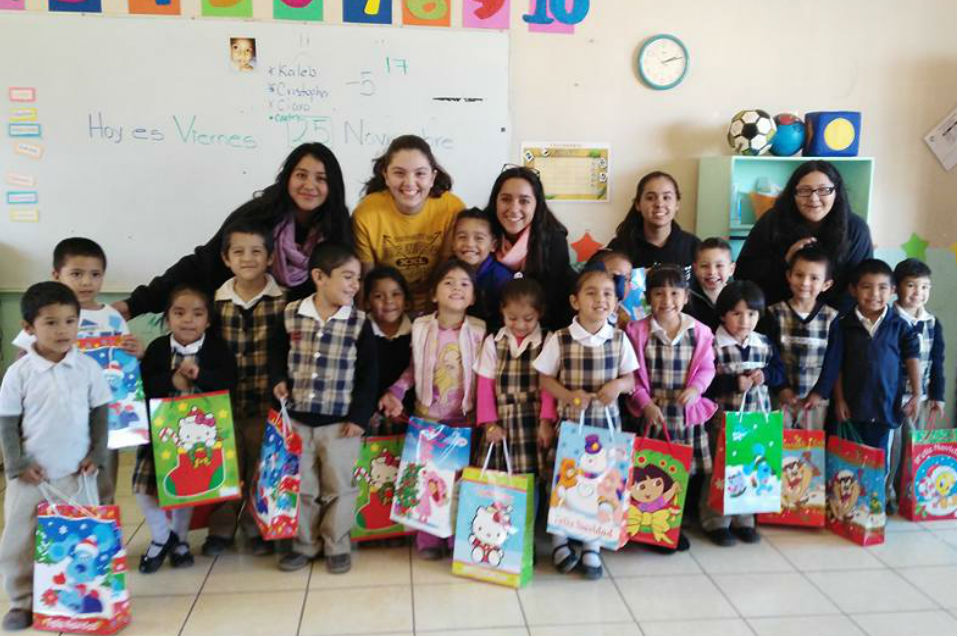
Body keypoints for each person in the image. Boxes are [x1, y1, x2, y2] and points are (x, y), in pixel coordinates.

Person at [114, 143, 353, 319]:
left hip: (300, 340)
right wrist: (133, 305)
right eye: (301, 175)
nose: (309, 185)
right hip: (236, 328)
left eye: (321, 178)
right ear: (287, 178)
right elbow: (201, 265)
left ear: (332, 186)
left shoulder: (338, 231)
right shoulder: (256, 217)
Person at [0, 282, 112, 631]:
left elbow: (100, 415)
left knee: (80, 540)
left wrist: (97, 453)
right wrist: (17, 463)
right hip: (30, 477)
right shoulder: (19, 373)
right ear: (29, 328)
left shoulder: (88, 368)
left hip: (76, 474)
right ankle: (21, 602)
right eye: (51, 322)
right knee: (19, 542)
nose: (63, 330)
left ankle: (79, 597)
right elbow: (7, 423)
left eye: (70, 321)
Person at [268, 244, 378, 574]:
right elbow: (276, 356)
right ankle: (304, 544)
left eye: (357, 279)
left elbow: (368, 375)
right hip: (298, 421)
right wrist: (277, 380)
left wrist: (360, 417)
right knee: (302, 486)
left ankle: (336, 544)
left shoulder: (359, 323)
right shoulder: (290, 314)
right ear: (319, 277)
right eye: (347, 277)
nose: (354, 285)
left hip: (341, 424)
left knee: (340, 487)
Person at [11, 238, 141, 505]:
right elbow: (22, 361)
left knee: (103, 484)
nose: (86, 282)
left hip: (104, 419)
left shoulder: (113, 317)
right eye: (77, 274)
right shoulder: (46, 313)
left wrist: (137, 351)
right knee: (56, 487)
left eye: (95, 275)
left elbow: (127, 362)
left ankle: (103, 538)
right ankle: (59, 538)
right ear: (57, 275)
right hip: (56, 421)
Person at [534, 265, 638, 579]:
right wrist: (567, 394)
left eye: (607, 293)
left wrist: (616, 387)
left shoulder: (619, 339)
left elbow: (631, 380)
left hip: (606, 428)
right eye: (591, 293)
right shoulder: (560, 338)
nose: (600, 300)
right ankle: (560, 541)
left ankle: (592, 545)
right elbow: (544, 380)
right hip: (571, 428)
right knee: (567, 482)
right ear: (575, 301)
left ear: (616, 302)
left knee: (600, 485)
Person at [379, 259, 486, 559]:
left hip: (464, 419)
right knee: (428, 478)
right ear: (434, 293)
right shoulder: (421, 327)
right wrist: (396, 391)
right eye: (448, 282)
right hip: (428, 417)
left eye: (464, 284)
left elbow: (485, 374)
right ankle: (427, 538)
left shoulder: (479, 330)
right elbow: (414, 369)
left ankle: (455, 538)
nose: (456, 288)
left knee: (460, 480)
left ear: (474, 297)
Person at [134, 284, 237, 574]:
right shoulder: (157, 349)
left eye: (197, 313)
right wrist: (171, 381)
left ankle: (179, 541)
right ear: (167, 318)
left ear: (208, 320)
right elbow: (143, 387)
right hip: (160, 432)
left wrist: (200, 376)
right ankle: (161, 536)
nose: (188, 320)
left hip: (196, 437)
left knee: (186, 488)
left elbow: (229, 382)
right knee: (143, 487)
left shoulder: (216, 348)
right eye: (179, 313)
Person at [206, 221, 286, 557]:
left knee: (259, 466)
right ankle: (221, 528)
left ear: (270, 258)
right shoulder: (215, 301)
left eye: (256, 251)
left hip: (264, 401)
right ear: (226, 258)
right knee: (225, 467)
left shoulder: (284, 300)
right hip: (223, 404)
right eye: (238, 252)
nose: (247, 258)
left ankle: (255, 526)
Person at [625, 264, 717, 552]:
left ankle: (674, 523)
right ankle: (650, 526)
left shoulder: (699, 332)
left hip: (686, 415)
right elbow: (632, 374)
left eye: (675, 293)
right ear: (648, 298)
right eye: (659, 293)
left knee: (683, 471)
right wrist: (645, 403)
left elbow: (707, 368)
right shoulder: (637, 331)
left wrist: (696, 389)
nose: (667, 300)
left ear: (686, 296)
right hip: (655, 414)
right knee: (652, 472)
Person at [701, 281, 786, 547]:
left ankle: (744, 519)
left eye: (751, 314)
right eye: (737, 313)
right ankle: (715, 520)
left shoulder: (764, 343)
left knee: (752, 468)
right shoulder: (712, 343)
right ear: (723, 314)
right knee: (719, 469)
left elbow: (780, 373)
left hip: (756, 420)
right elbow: (704, 382)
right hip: (723, 421)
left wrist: (766, 375)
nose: (744, 320)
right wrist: (731, 384)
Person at [735, 160, 873, 313]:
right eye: (804, 190)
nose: (813, 199)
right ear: (793, 193)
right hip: (775, 315)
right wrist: (785, 261)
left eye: (824, 190)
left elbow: (861, 285)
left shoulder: (856, 229)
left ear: (837, 192)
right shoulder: (772, 221)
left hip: (835, 320)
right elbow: (743, 274)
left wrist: (822, 320)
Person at [353, 135, 465, 314]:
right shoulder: (366, 214)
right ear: (386, 175)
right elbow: (367, 278)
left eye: (420, 173)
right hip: (387, 307)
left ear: (432, 177)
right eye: (399, 173)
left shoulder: (451, 208)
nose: (410, 183)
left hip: (435, 305)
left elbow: (446, 270)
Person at [833, 259, 921, 468]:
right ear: (853, 290)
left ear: (892, 290)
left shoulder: (900, 326)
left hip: (885, 407)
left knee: (879, 463)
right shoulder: (843, 325)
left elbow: (912, 359)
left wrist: (917, 394)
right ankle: (851, 500)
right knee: (849, 463)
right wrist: (839, 400)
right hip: (852, 408)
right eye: (866, 287)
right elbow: (836, 366)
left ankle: (877, 500)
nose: (874, 294)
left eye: (882, 288)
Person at [474, 278, 553, 482]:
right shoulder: (494, 342)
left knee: (534, 481)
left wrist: (546, 421)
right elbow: (484, 386)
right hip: (501, 423)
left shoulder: (548, 340)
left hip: (534, 423)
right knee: (499, 483)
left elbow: (549, 386)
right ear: (502, 311)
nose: (519, 325)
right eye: (511, 318)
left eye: (528, 319)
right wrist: (489, 424)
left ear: (540, 313)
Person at [887, 258, 947, 512]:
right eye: (911, 285)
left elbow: (937, 361)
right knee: (893, 448)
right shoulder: (889, 319)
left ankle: (909, 493)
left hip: (919, 399)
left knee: (915, 445)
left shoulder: (932, 323)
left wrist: (938, 396)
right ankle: (887, 494)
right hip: (893, 398)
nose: (918, 293)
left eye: (924, 287)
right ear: (897, 288)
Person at [485, 166, 574, 330]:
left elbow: (555, 302)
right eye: (506, 199)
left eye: (524, 201)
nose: (514, 208)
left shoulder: (554, 242)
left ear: (537, 205)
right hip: (492, 333)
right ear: (495, 201)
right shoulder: (481, 235)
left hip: (543, 333)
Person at [762, 246, 841, 429]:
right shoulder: (775, 313)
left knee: (808, 451)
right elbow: (769, 354)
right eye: (799, 275)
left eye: (814, 278)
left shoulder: (831, 317)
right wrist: (781, 388)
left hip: (815, 401)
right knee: (776, 447)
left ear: (826, 284)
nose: (805, 283)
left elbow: (834, 360)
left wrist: (820, 392)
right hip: (780, 397)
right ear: (789, 276)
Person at [608, 171, 700, 271]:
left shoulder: (693, 246)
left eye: (666, 197)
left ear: (677, 204)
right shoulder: (619, 248)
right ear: (638, 204)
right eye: (650, 198)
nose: (659, 204)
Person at [364, 266, 413, 436]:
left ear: (406, 300)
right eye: (378, 296)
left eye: (396, 294)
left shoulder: (417, 332)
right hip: (368, 417)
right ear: (367, 302)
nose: (388, 301)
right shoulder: (361, 333)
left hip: (407, 415)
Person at [451, 207, 512, 327]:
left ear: (493, 245)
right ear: (452, 242)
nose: (469, 244)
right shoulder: (447, 272)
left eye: (479, 238)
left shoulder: (501, 278)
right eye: (462, 237)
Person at [686, 238, 735, 332]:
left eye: (719, 266)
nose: (712, 272)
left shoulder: (738, 298)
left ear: (731, 269)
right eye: (704, 266)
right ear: (695, 269)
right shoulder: (686, 300)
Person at [587, 249, 633, 329]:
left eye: (626, 279)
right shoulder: (587, 316)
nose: (621, 284)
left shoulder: (628, 321)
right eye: (613, 276)